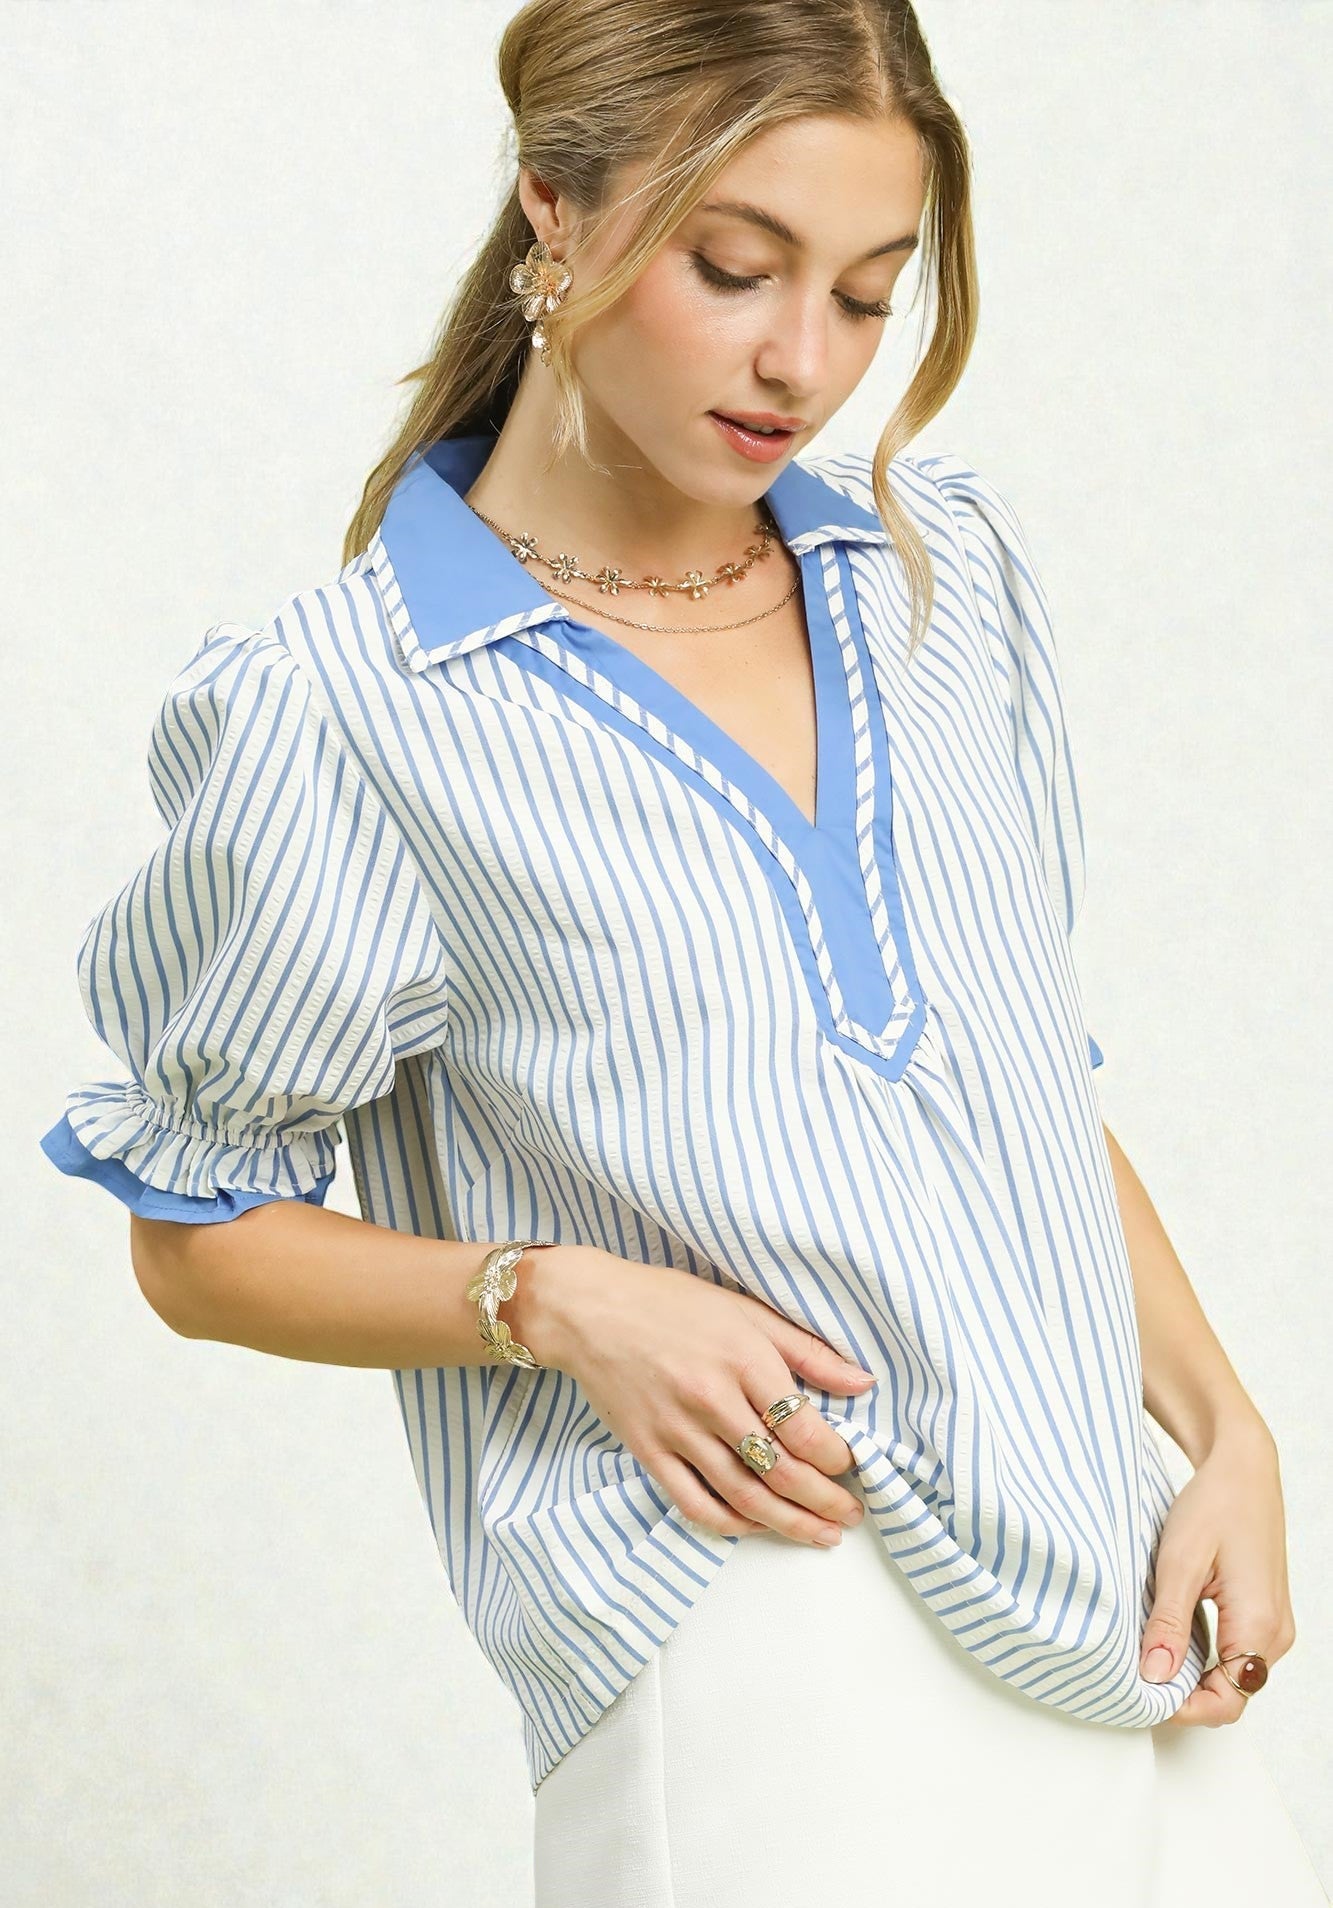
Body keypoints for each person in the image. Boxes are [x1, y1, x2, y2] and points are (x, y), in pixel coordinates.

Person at [39, 2, 1327, 1902]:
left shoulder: (935, 578)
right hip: (760, 1613)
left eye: (870, 294)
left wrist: (1222, 1433)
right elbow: (194, 1236)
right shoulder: (352, 705)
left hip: (1126, 1601)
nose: (801, 360)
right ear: (554, 219)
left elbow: (1010, 1093)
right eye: (735, 269)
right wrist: (551, 1299)